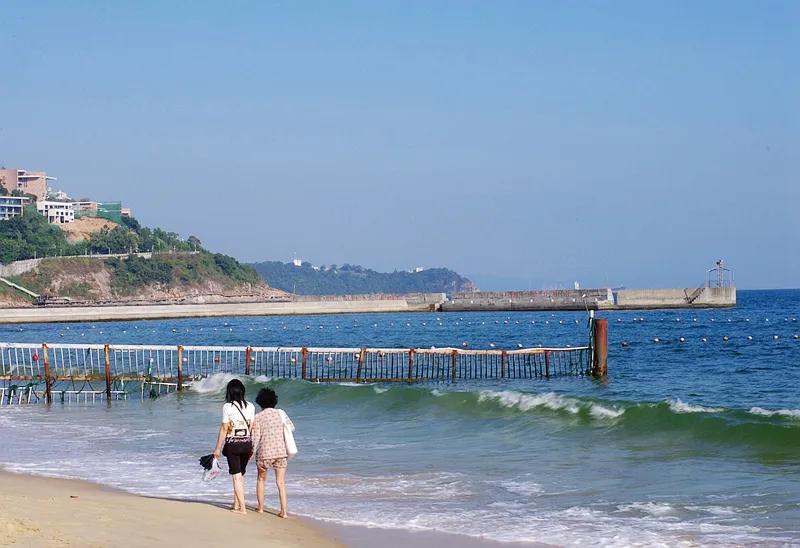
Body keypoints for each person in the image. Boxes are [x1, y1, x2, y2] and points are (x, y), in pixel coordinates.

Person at [212, 379, 256, 515]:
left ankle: (242, 508)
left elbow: (224, 429)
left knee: (236, 476)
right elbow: (251, 427)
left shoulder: (227, 407)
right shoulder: (251, 406)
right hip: (247, 444)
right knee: (241, 474)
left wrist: (217, 449)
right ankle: (236, 504)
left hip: (233, 445)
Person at [251, 387, 294, 517]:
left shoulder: (257, 417)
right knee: (281, 482)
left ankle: (260, 508)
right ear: (274, 401)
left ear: (259, 402)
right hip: (281, 452)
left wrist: (251, 453)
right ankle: (284, 512)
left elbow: (255, 438)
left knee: (261, 480)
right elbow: (291, 427)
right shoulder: (281, 413)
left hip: (264, 454)